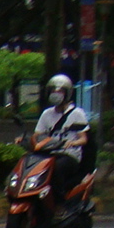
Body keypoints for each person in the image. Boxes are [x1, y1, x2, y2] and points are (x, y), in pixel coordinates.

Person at [33, 74, 89, 207]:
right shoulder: (47, 114)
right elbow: (37, 135)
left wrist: (73, 143)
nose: (56, 94)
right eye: (53, 91)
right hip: (49, 154)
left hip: (69, 155)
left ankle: (59, 205)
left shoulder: (77, 114)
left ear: (68, 93)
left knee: (56, 169)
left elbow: (83, 139)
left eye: (60, 91)